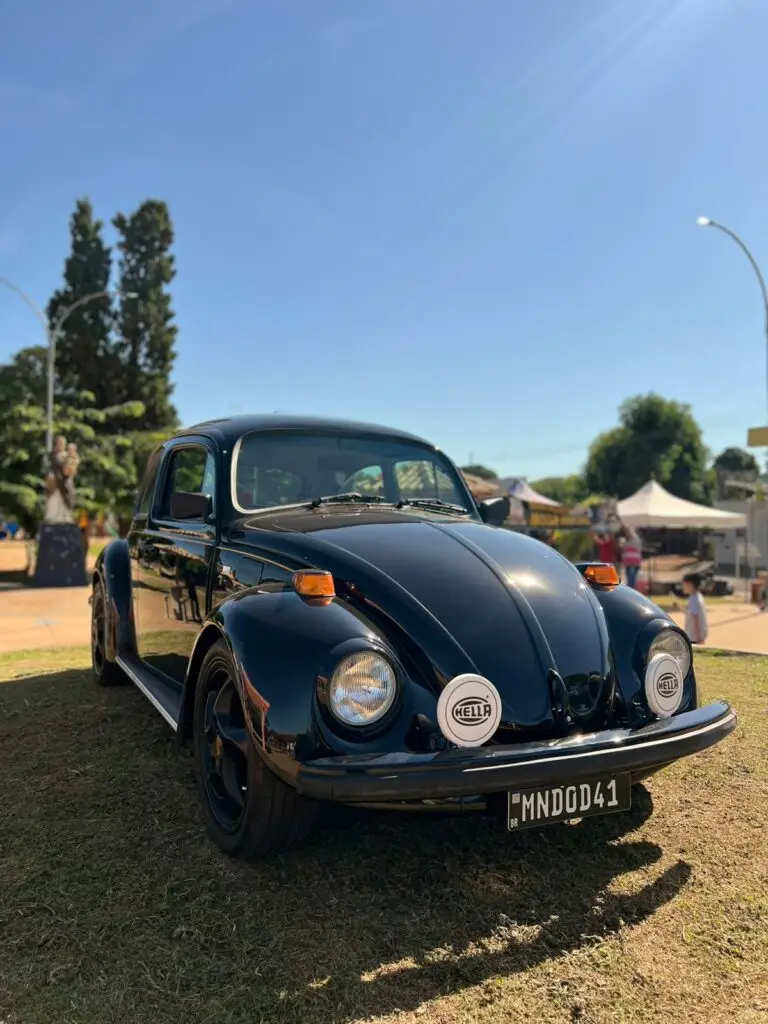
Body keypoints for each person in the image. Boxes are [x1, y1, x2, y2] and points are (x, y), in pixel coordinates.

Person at [682, 573, 708, 645]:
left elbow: (695, 618)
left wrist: (699, 638)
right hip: (696, 636)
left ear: (690, 585)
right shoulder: (698, 596)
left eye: (684, 585)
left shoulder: (693, 599)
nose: (683, 587)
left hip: (694, 637)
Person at [619, 522, 643, 589]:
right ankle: (632, 590)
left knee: (631, 579)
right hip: (628, 563)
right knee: (630, 578)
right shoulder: (625, 540)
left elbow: (627, 532)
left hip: (634, 562)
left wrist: (619, 521)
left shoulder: (634, 537)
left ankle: (632, 591)